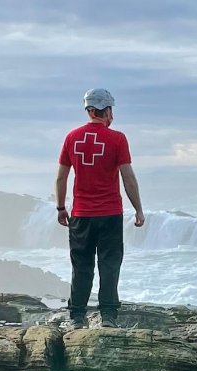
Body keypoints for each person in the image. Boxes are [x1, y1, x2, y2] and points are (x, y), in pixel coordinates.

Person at [55, 88, 145, 329]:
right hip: (110, 214)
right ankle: (108, 317)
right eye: (110, 110)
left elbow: (61, 178)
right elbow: (128, 177)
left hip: (81, 215)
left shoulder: (72, 138)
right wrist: (138, 209)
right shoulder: (118, 139)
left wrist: (61, 208)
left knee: (81, 266)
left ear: (89, 110)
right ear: (103, 111)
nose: (112, 115)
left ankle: (76, 317)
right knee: (109, 265)